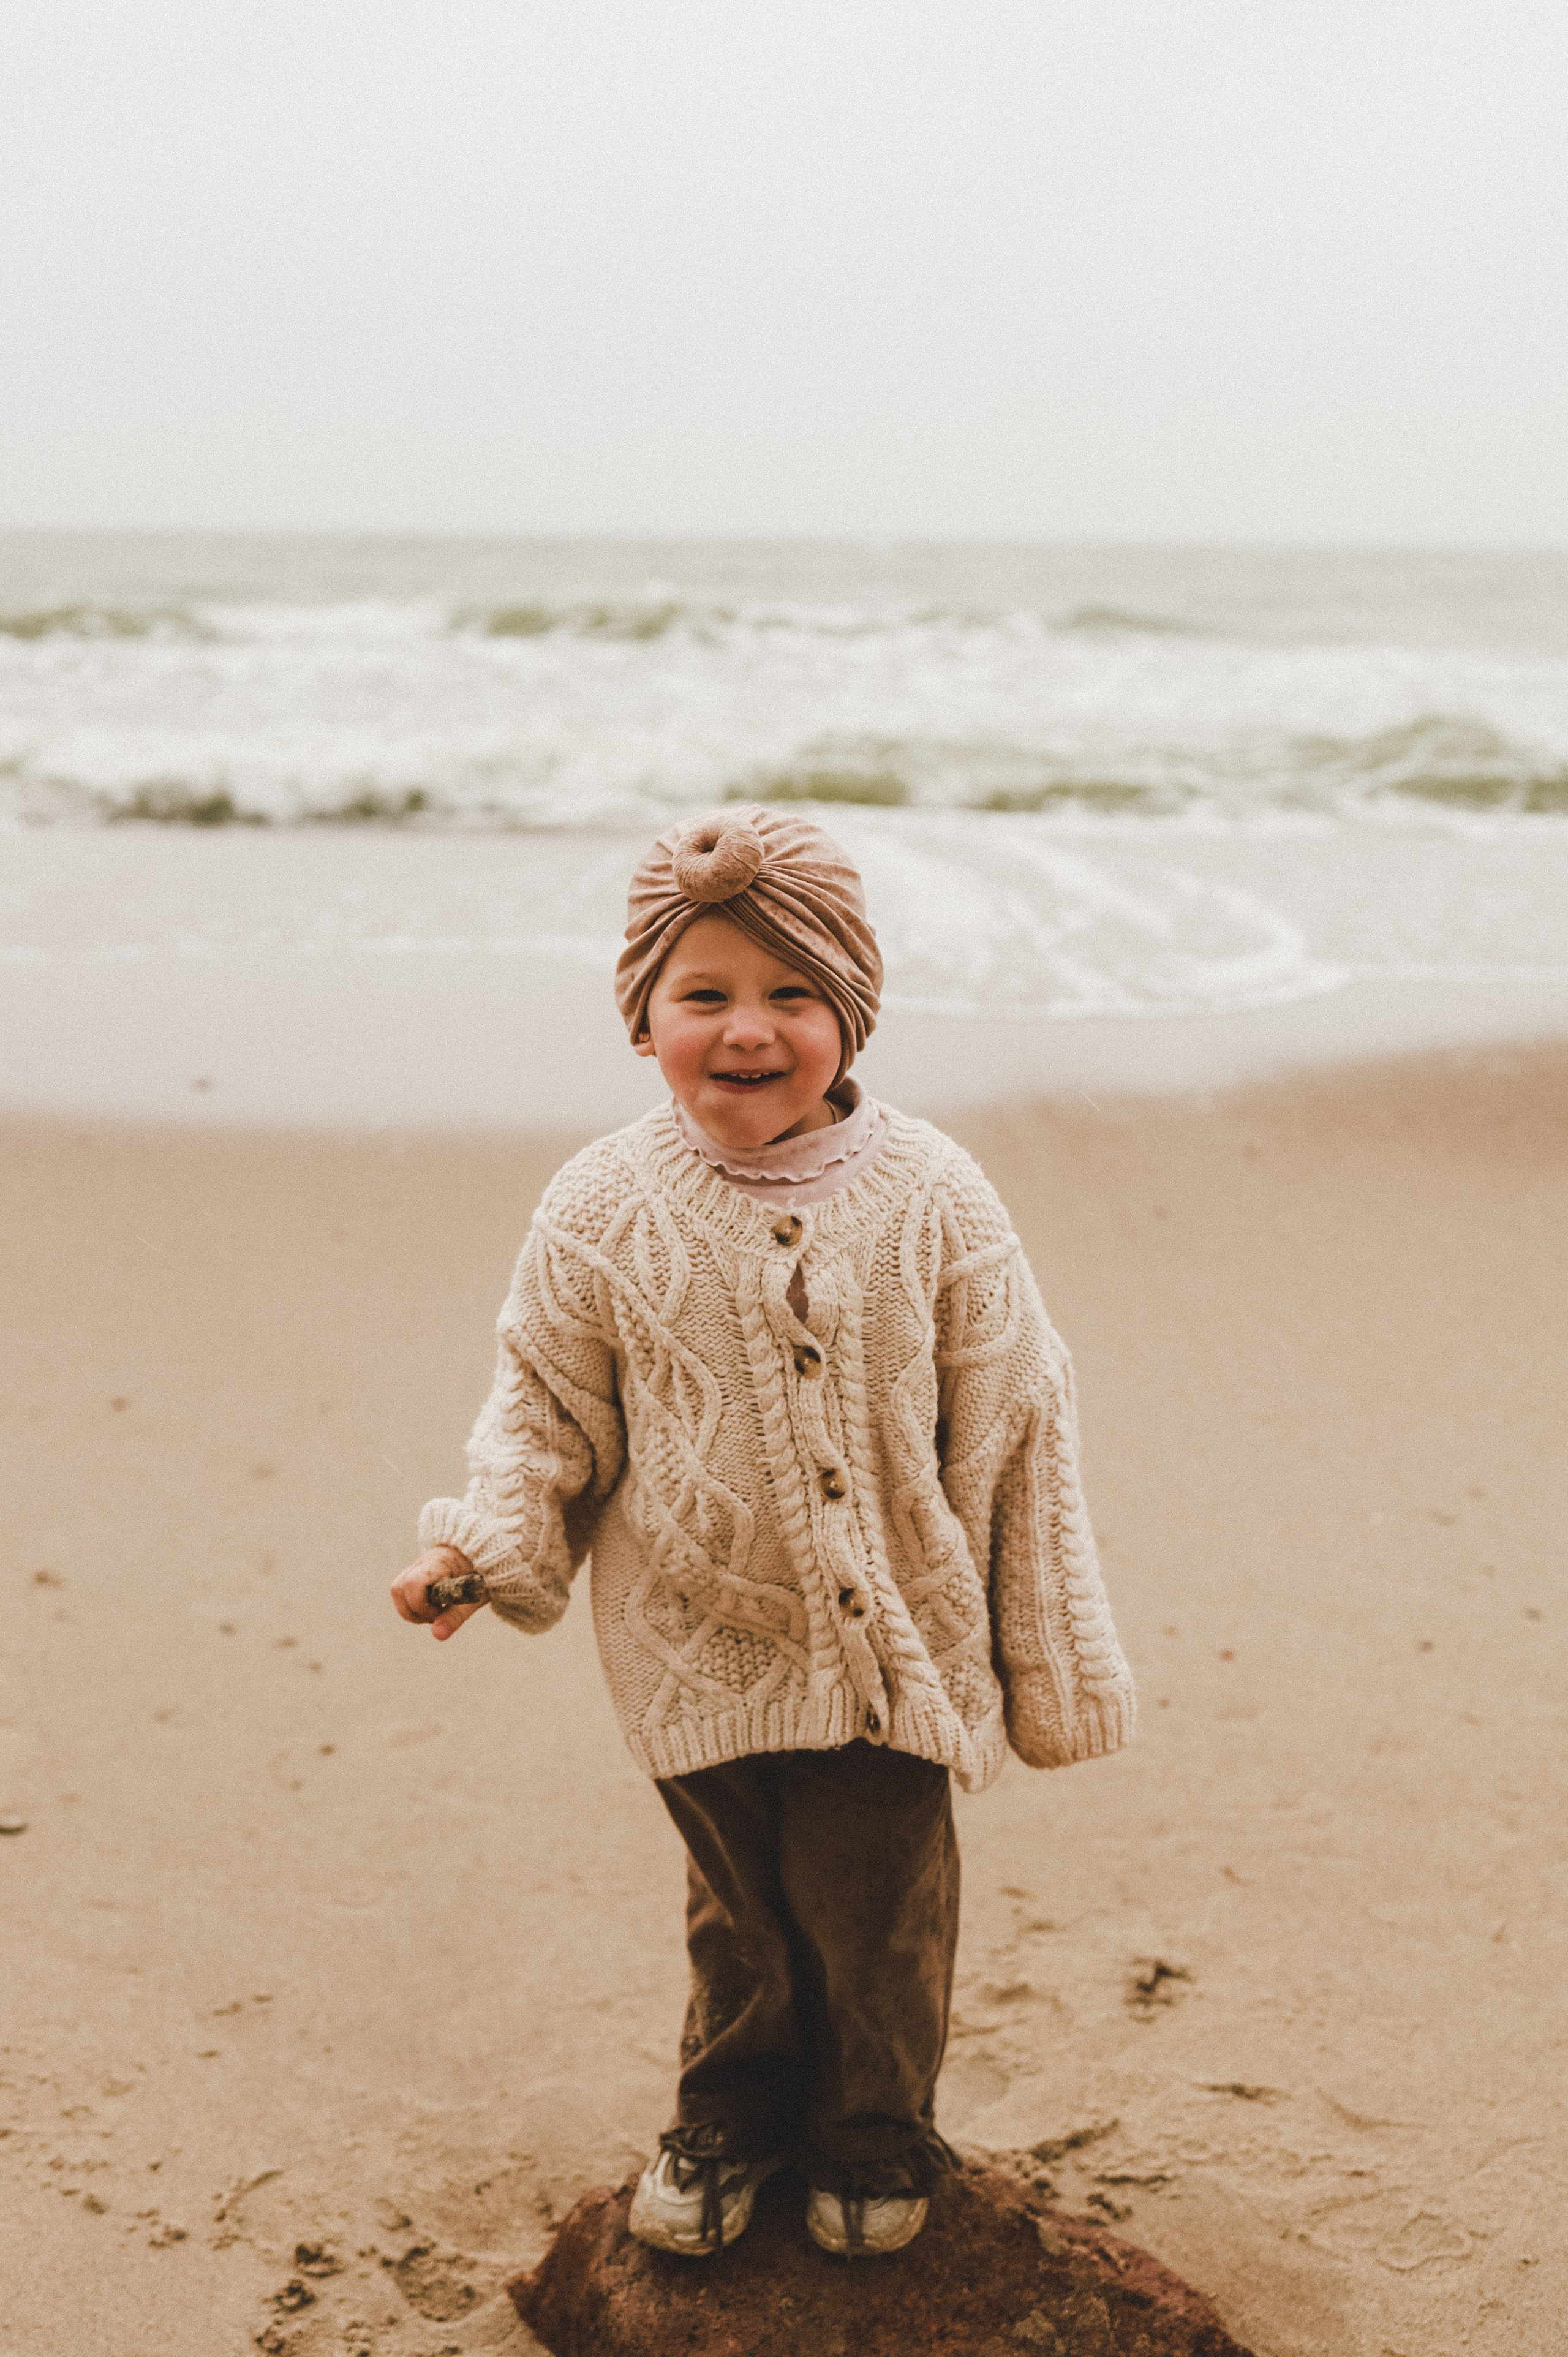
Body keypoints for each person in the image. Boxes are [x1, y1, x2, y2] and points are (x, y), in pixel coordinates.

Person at [390, 804, 1134, 2260]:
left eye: (793, 994)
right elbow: (545, 1407)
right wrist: (482, 1546)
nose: (749, 1028)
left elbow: (1016, 1421)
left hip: (898, 1648)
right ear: (642, 1018)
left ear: (850, 1015)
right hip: (696, 1639)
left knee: (875, 1910)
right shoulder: (601, 1206)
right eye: (705, 994)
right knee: (739, 1911)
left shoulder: (935, 1195)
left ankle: (869, 2130)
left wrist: (1041, 1654)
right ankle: (726, 2118)